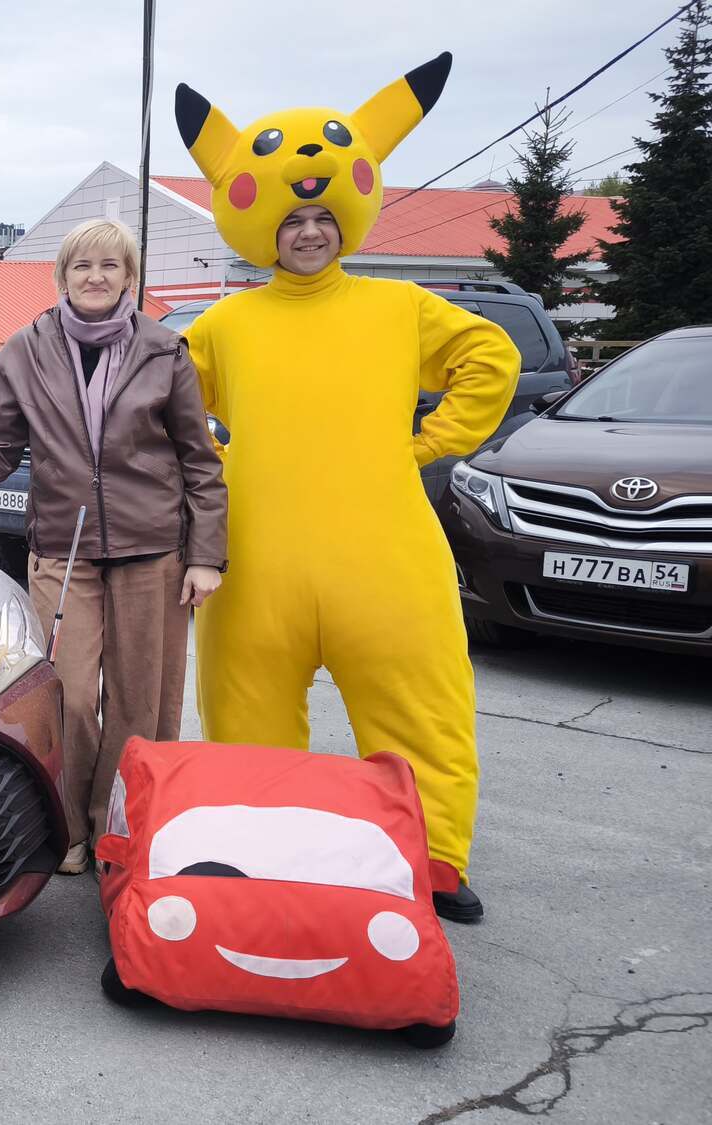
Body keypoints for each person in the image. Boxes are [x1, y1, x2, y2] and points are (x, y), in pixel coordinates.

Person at [174, 53, 518, 922]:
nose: (309, 232)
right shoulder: (226, 322)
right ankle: (260, 850)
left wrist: (430, 441)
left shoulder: (399, 308)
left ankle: (433, 858)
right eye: (293, 220)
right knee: (246, 717)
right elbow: (161, 400)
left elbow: (490, 356)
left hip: (386, 560)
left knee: (418, 709)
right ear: (265, 228)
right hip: (256, 563)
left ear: (349, 220)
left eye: (323, 218)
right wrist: (207, 465)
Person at [0, 218, 227, 876]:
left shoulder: (164, 351)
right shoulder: (26, 350)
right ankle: (68, 828)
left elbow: (200, 461)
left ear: (129, 277)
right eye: (82, 266)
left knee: (140, 701)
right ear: (62, 276)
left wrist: (205, 556)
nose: (96, 277)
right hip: (62, 550)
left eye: (110, 265)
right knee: (64, 695)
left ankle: (121, 828)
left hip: (152, 548)